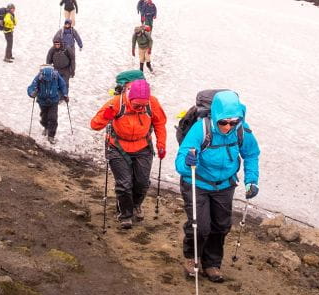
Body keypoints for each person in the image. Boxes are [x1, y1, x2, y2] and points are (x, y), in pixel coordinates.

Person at [175, 90, 260, 283]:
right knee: (200, 226)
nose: (228, 127)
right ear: (215, 117)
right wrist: (188, 162)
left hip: (224, 185)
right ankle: (192, 257)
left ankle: (212, 263)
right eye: (223, 122)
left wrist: (251, 180)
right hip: (197, 183)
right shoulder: (201, 129)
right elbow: (180, 162)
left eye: (233, 122)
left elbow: (251, 154)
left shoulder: (241, 130)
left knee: (221, 226)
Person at [91, 78, 167, 230]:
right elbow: (95, 125)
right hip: (117, 147)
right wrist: (106, 116)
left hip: (143, 146)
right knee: (124, 184)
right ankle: (125, 214)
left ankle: (136, 205)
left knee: (142, 182)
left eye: (143, 105)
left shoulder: (152, 103)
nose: (140, 108)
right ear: (129, 97)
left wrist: (161, 144)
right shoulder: (116, 103)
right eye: (137, 105)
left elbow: (159, 123)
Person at [27, 66, 68, 145]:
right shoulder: (39, 77)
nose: (48, 80)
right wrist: (32, 93)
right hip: (42, 101)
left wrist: (65, 94)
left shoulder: (56, 76)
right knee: (44, 117)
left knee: (53, 118)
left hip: (54, 101)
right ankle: (46, 127)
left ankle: (51, 135)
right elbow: (31, 87)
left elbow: (63, 85)